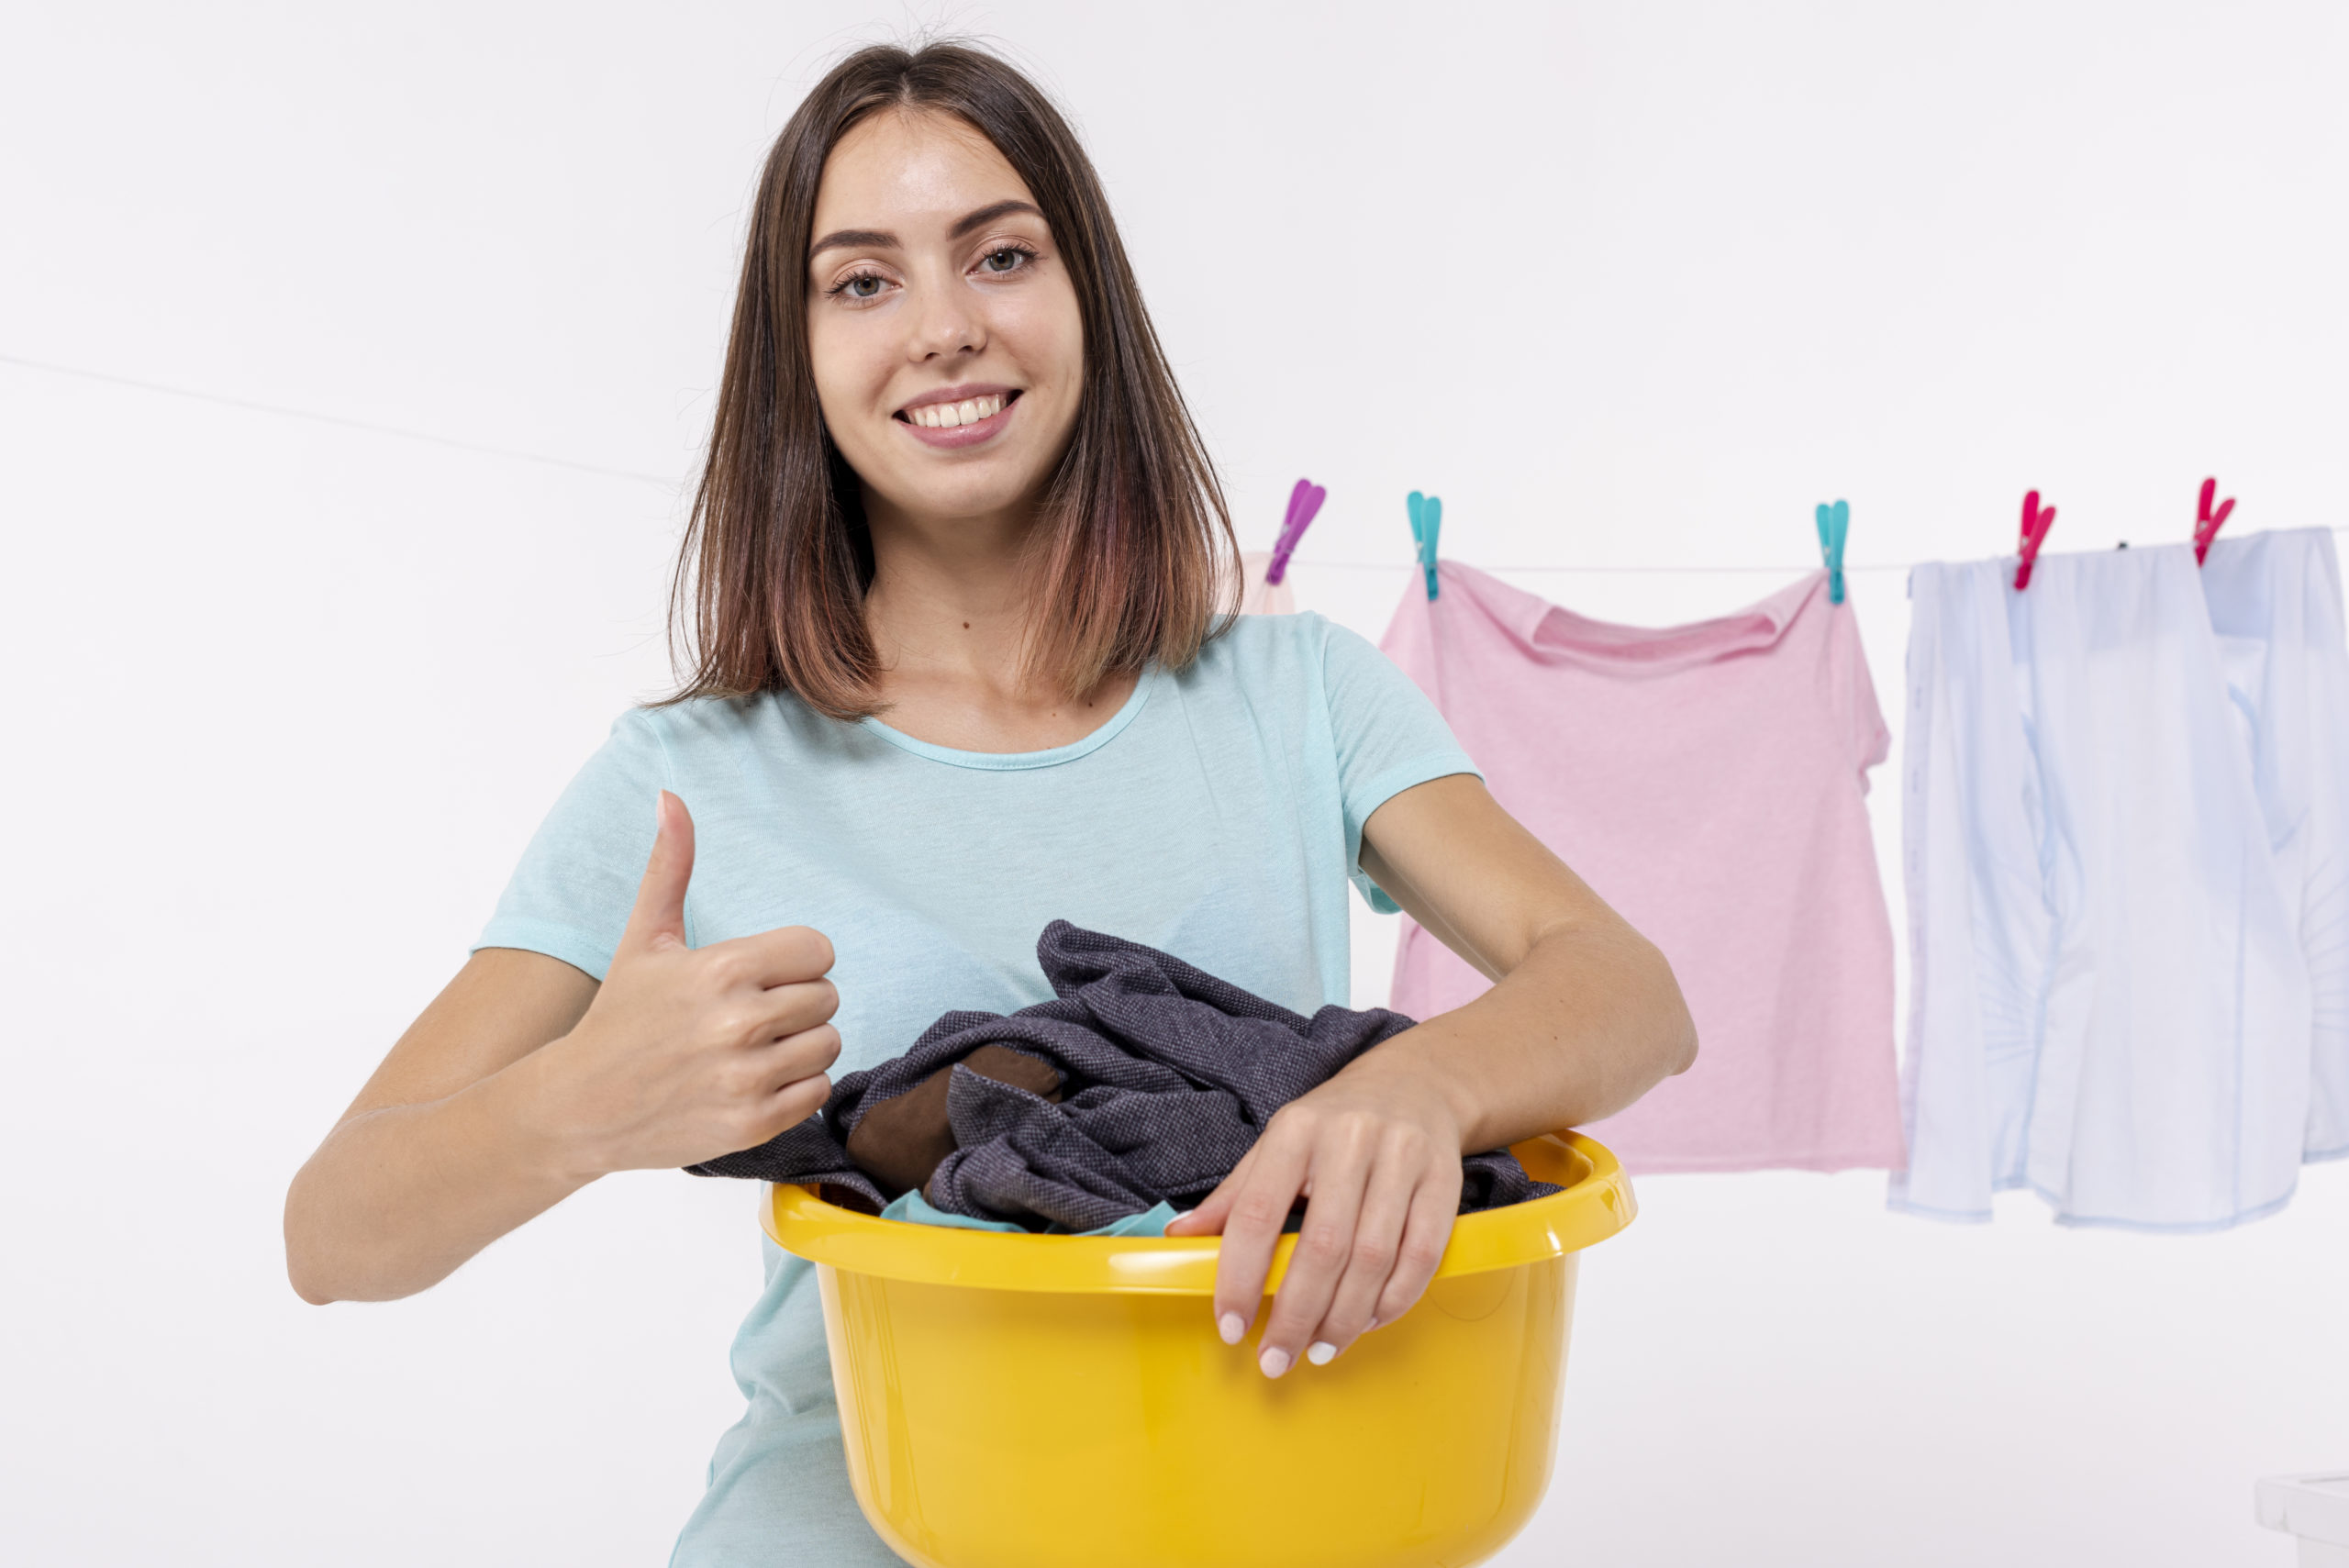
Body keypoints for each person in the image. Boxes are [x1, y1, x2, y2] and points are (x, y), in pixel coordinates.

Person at [283, 39, 1698, 1564]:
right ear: (798, 353)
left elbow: (1629, 993)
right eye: (863, 282)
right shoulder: (691, 776)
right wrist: (577, 1106)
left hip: (1260, 1519)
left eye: (1001, 255)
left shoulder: (1301, 700)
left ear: (1086, 295)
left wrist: (1416, 1088)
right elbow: (333, 1231)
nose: (946, 330)